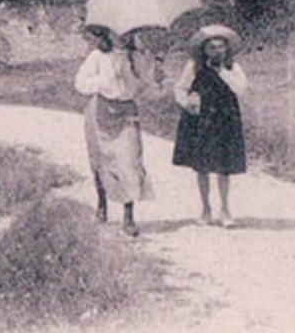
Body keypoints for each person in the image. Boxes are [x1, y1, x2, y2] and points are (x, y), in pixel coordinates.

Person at [74, 25, 154, 236]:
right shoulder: (98, 56)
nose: (123, 36)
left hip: (126, 111)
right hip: (100, 111)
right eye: (119, 32)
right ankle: (102, 203)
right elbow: (80, 83)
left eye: (128, 33)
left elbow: (146, 84)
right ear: (108, 34)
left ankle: (129, 216)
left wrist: (140, 71)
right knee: (101, 160)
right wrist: (103, 81)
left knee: (129, 160)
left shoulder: (135, 57)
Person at [172, 25, 249, 227]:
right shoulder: (194, 66)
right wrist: (188, 100)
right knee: (202, 166)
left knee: (224, 166)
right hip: (202, 119)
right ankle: (206, 208)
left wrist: (222, 70)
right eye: (212, 47)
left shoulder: (232, 67)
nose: (217, 51)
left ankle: (225, 209)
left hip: (225, 118)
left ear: (227, 49)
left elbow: (241, 89)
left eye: (221, 47)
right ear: (204, 50)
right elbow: (180, 88)